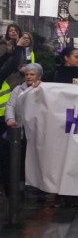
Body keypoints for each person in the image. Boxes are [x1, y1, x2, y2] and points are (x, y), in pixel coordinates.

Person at [0, 63, 42, 196]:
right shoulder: (18, 89)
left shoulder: (44, 89)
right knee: (18, 158)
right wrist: (10, 119)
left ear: (39, 76)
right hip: (19, 130)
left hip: (36, 132)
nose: (29, 77)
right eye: (27, 74)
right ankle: (18, 187)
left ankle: (35, 185)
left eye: (32, 74)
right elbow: (10, 105)